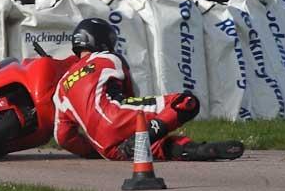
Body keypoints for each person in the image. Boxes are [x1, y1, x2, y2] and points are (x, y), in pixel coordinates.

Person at [52, 18, 244, 161]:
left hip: (107, 149)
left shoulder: (61, 85)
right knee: (186, 102)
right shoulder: (107, 59)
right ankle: (144, 137)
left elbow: (63, 137)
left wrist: (93, 150)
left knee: (154, 147)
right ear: (100, 40)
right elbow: (129, 96)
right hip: (119, 116)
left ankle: (194, 150)